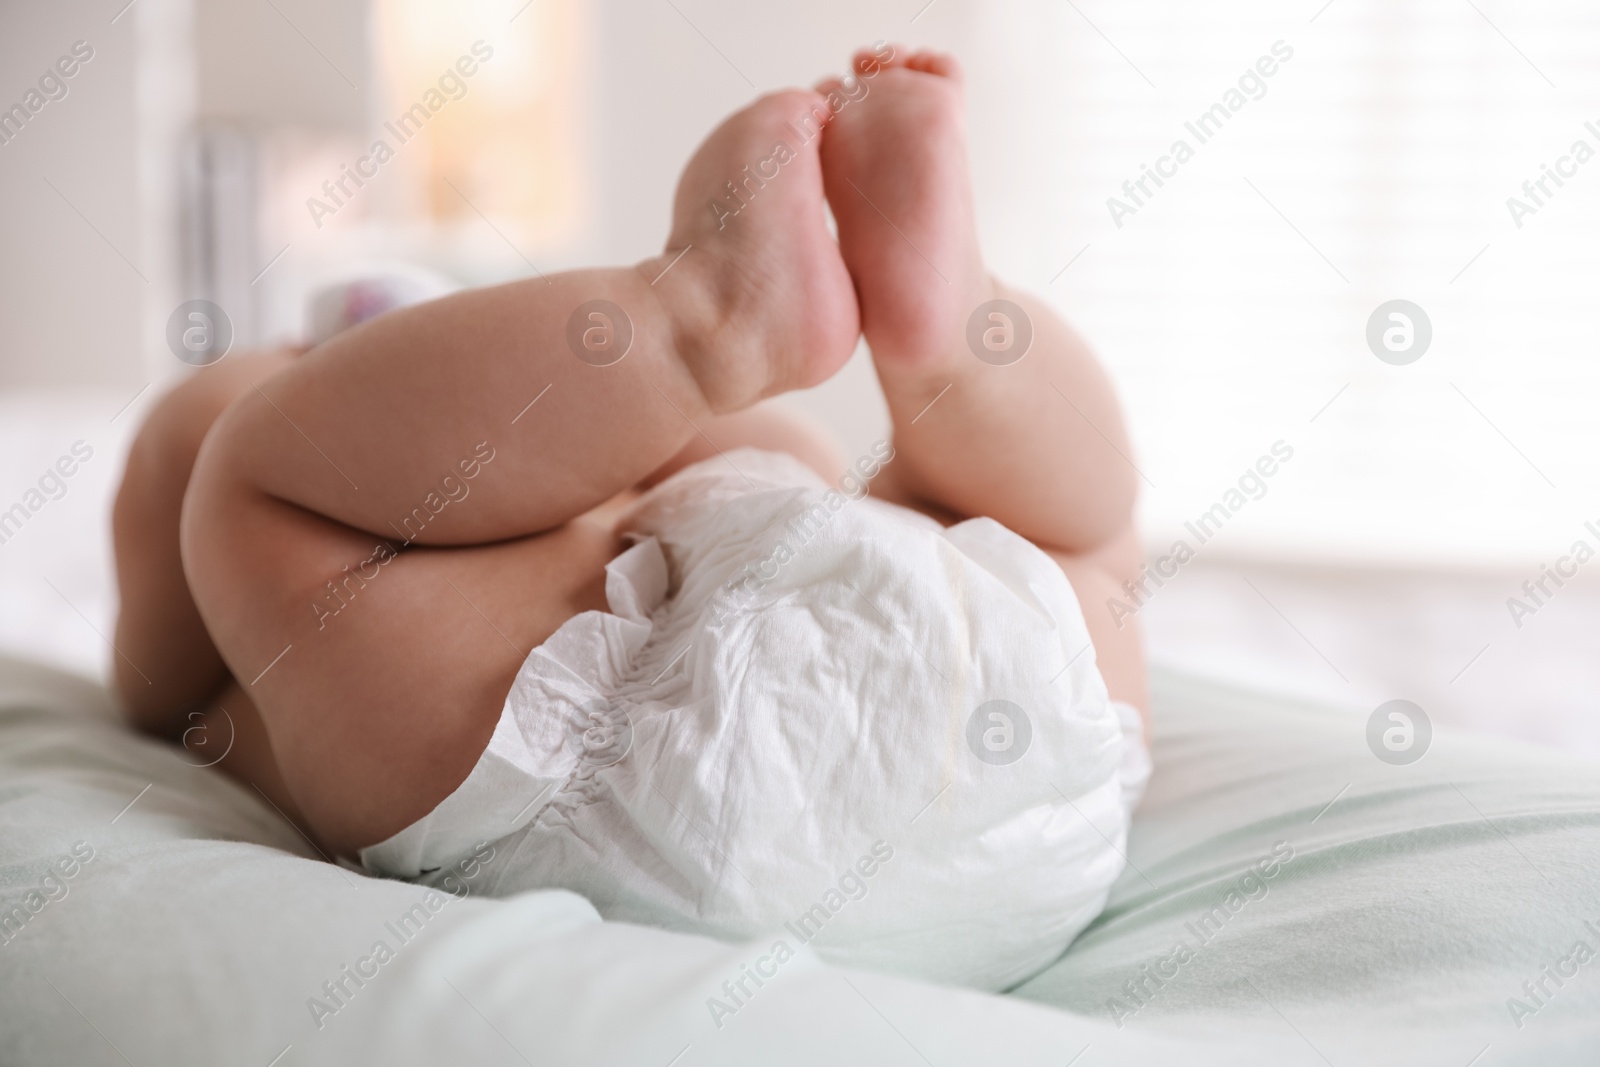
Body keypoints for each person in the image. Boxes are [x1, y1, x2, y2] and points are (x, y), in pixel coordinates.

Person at [111, 45, 1150, 988]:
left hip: (603, 787)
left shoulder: (293, 675)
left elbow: (154, 686)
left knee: (248, 476)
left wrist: (237, 444)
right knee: (1080, 542)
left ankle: (706, 324)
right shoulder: (702, 479)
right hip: (1020, 821)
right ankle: (950, 340)